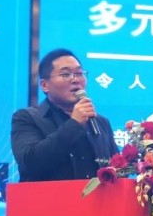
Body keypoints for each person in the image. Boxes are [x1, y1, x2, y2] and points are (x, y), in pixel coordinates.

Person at [11, 48, 119, 182]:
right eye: (66, 74)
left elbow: (117, 169)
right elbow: (30, 163)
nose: (76, 80)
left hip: (98, 196)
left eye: (79, 73)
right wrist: (74, 124)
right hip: (49, 196)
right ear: (45, 85)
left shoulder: (101, 122)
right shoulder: (26, 118)